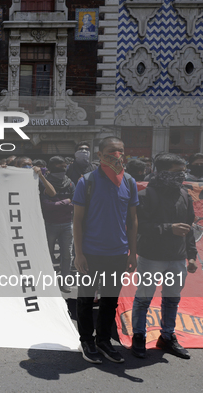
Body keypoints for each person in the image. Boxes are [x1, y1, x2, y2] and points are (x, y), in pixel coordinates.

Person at [73, 136, 138, 364]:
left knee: (110, 300)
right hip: (91, 253)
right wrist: (78, 253)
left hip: (118, 254)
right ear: (99, 155)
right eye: (111, 151)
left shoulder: (129, 182)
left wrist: (132, 252)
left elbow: (132, 220)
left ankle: (103, 340)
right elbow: (77, 221)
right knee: (85, 299)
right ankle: (86, 340)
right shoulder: (87, 181)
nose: (117, 155)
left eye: (120, 151)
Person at [131, 153, 198, 359]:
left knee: (172, 300)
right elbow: (138, 227)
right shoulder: (145, 195)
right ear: (161, 173)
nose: (182, 176)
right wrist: (168, 228)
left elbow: (189, 227)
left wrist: (192, 255)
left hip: (177, 258)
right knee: (143, 299)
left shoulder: (185, 195)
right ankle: (139, 337)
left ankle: (167, 336)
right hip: (151, 257)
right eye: (176, 172)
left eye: (183, 171)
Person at [41, 156, 76, 293]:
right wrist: (65, 202)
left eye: (64, 166)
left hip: (67, 223)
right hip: (50, 224)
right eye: (59, 167)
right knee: (48, 254)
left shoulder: (70, 183)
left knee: (67, 255)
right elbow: (46, 206)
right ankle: (48, 281)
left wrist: (56, 204)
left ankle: (65, 281)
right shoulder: (45, 183)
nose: (62, 169)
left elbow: (75, 203)